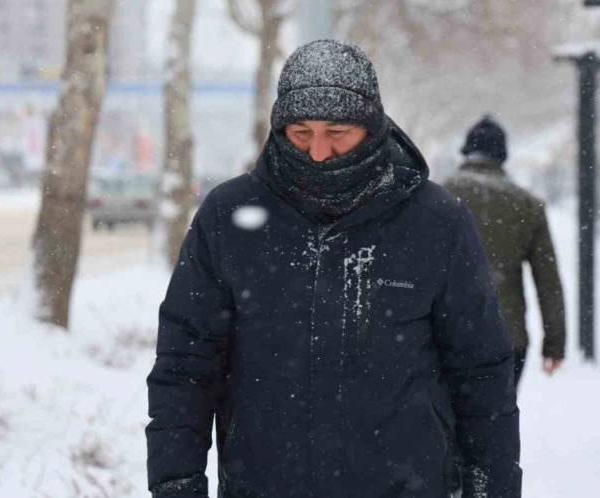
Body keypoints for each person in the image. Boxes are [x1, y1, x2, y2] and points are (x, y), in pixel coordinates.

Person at [146, 41, 521, 498]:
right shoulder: (228, 217)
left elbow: (481, 374)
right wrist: (177, 484)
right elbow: (185, 366)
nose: (317, 152)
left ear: (372, 125)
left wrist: (493, 488)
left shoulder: (437, 223)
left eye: (337, 131)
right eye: (301, 132)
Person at [443, 116, 566, 388]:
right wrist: (555, 343)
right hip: (507, 336)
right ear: (502, 156)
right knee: (496, 424)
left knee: (444, 424)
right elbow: (548, 282)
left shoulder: (439, 196)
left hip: (446, 334)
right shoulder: (527, 205)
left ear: (466, 151)